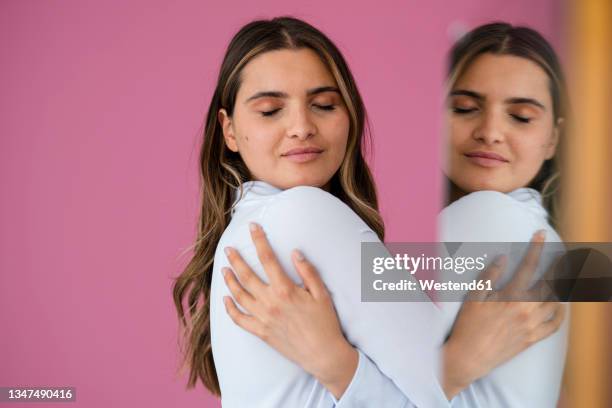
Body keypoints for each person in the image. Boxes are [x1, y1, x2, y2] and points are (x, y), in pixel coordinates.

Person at [173, 18, 565, 407]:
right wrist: (458, 360)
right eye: (270, 110)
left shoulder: (243, 230)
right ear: (229, 130)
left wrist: (335, 362)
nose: (301, 126)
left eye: (324, 104)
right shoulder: (304, 212)